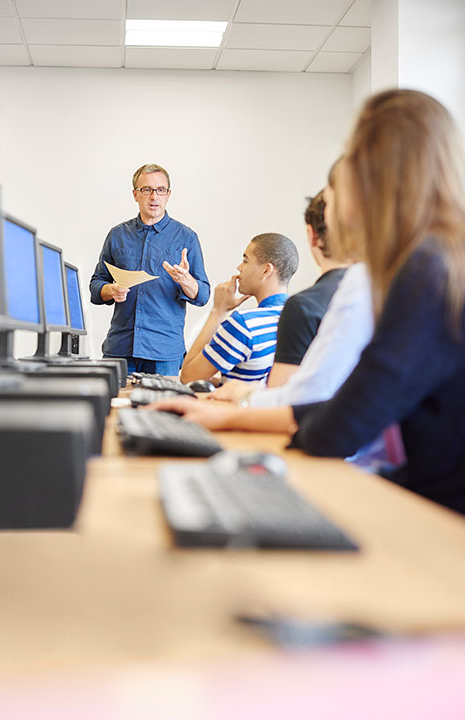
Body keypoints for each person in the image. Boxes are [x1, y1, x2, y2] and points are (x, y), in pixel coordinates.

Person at [152, 89, 465, 515]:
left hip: (439, 519)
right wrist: (235, 413)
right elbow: (356, 403)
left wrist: (237, 411)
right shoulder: (440, 260)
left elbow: (344, 423)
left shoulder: (425, 272)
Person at [213, 187, 351, 404]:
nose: (240, 267)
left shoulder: (302, 308)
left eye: (245, 260)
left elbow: (278, 405)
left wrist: (242, 394)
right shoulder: (370, 297)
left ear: (311, 235)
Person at [89, 163, 210, 376]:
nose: (154, 196)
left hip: (164, 352)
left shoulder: (186, 237)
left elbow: (203, 295)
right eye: (146, 190)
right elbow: (96, 285)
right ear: (135, 194)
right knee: (113, 407)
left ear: (168, 194)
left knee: (162, 409)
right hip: (120, 348)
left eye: (160, 190)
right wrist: (111, 290)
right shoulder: (117, 235)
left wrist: (185, 280)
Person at [179, 233, 299, 384]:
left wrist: (218, 311)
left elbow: (188, 377)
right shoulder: (298, 321)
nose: (239, 268)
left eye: (245, 261)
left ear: (266, 271)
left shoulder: (244, 324)